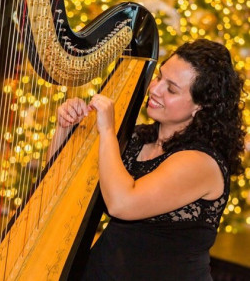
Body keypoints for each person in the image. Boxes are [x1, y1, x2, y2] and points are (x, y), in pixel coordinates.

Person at [48, 39, 245, 280]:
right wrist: (64, 128)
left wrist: (108, 132)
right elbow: (58, 178)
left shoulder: (201, 162)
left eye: (171, 89)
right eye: (160, 77)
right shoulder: (140, 138)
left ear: (200, 106)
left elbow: (122, 204)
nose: (155, 89)